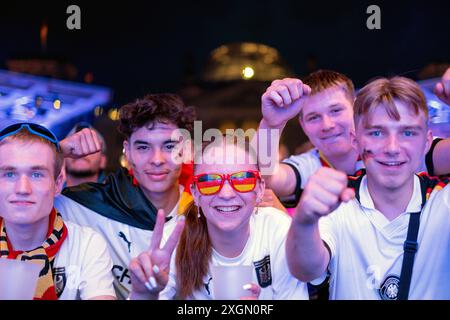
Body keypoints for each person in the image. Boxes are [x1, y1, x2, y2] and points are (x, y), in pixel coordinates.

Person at [286, 76, 450, 299]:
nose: (392, 147)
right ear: (356, 141)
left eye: (408, 132)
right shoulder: (335, 202)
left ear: (427, 142)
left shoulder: (442, 201)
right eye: (376, 132)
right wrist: (304, 221)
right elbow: (306, 270)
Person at [128, 138, 309, 300]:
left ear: (260, 188)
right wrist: (144, 294)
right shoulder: (172, 240)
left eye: (242, 179)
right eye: (209, 181)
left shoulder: (279, 230)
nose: (226, 194)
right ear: (196, 193)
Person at [54, 93, 196, 299]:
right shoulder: (91, 205)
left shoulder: (204, 212)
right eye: (143, 147)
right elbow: (12, 194)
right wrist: (58, 150)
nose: (157, 159)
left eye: (169, 146)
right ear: (127, 152)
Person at [257, 70, 450, 207]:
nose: (327, 125)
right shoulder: (309, 166)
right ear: (303, 126)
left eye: (336, 110)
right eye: (313, 117)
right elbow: (269, 177)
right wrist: (271, 123)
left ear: (356, 109)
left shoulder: (396, 150)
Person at [0, 122, 116, 300]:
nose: (23, 188)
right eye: (9, 174)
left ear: (58, 182)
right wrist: (57, 149)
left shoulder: (85, 244)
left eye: (36, 174)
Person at [64, 122, 107, 187]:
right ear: (64, 159)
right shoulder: (46, 191)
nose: (81, 151)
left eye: (90, 145)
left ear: (103, 161)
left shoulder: (115, 195)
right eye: (74, 146)